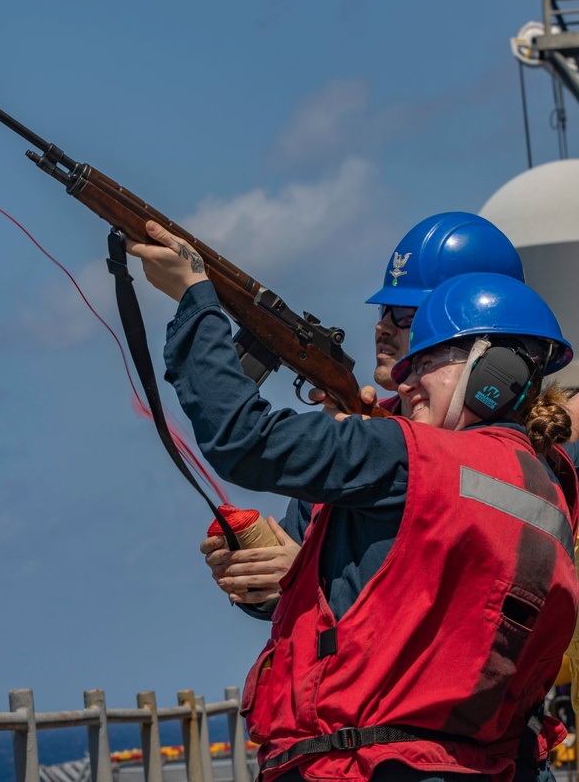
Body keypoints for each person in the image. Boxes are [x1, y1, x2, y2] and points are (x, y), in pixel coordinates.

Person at [128, 220, 579, 782]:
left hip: (373, 763)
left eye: (413, 323)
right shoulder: (540, 477)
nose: (384, 331)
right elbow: (385, 607)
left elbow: (242, 440)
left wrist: (196, 300)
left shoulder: (405, 452)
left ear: (494, 368)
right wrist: (280, 576)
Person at [206, 212, 528, 612]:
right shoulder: (368, 426)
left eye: (408, 315)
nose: (383, 327)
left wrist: (308, 573)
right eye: (384, 311)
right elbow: (289, 582)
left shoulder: (506, 461)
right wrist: (254, 571)